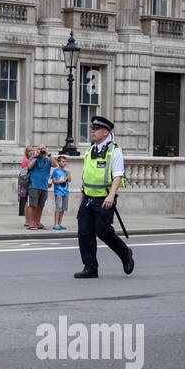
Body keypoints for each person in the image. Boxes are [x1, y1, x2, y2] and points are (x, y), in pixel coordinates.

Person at [73, 116, 135, 278]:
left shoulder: (114, 151)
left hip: (104, 198)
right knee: (84, 233)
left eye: (96, 129)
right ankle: (90, 268)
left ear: (106, 132)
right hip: (88, 198)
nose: (92, 131)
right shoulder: (90, 151)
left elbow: (118, 176)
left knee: (103, 232)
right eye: (92, 129)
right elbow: (86, 177)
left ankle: (125, 253)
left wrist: (111, 195)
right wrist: (81, 198)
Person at [24, 144, 52, 230]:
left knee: (40, 206)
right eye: (39, 149)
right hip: (34, 186)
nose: (41, 150)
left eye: (43, 149)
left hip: (44, 186)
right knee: (32, 205)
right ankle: (31, 223)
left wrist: (49, 154)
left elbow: (55, 164)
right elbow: (29, 167)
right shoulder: (33, 158)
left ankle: (38, 222)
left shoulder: (48, 160)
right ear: (37, 150)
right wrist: (37, 157)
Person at [50, 155, 71, 230]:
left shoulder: (66, 171)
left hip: (65, 192)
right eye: (62, 161)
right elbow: (54, 181)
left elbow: (69, 180)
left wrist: (68, 172)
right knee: (58, 207)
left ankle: (59, 223)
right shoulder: (56, 171)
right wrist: (61, 181)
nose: (64, 163)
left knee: (63, 208)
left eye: (65, 161)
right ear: (59, 162)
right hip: (58, 191)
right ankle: (55, 224)